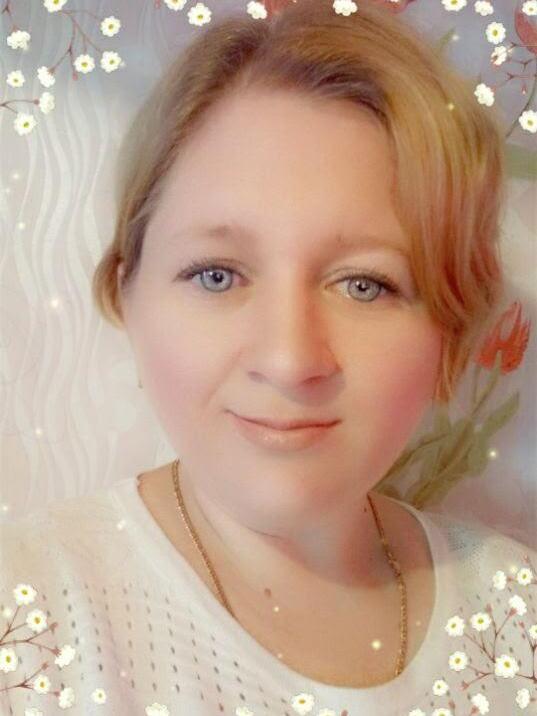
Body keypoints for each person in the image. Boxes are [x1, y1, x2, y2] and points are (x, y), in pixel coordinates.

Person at [1, 0, 535, 714]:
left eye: (364, 284)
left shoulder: (517, 616)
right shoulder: (26, 618)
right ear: (127, 294)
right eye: (217, 275)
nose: (288, 360)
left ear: (452, 330)